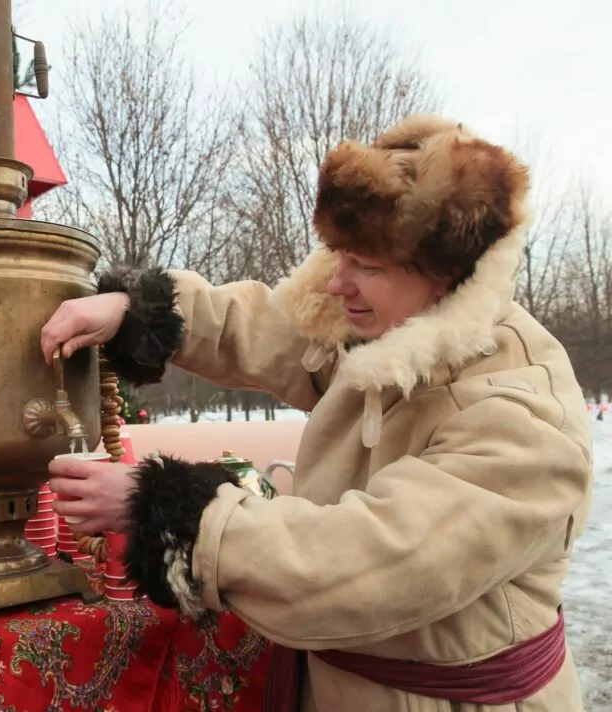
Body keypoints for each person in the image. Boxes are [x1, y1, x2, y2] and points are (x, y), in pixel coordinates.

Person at [41, 114, 592, 711]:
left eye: (368, 267)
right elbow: (272, 330)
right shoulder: (390, 334)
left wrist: (169, 512)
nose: (338, 285)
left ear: (445, 276)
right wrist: (134, 310)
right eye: (339, 256)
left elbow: (371, 567)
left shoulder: (521, 410)